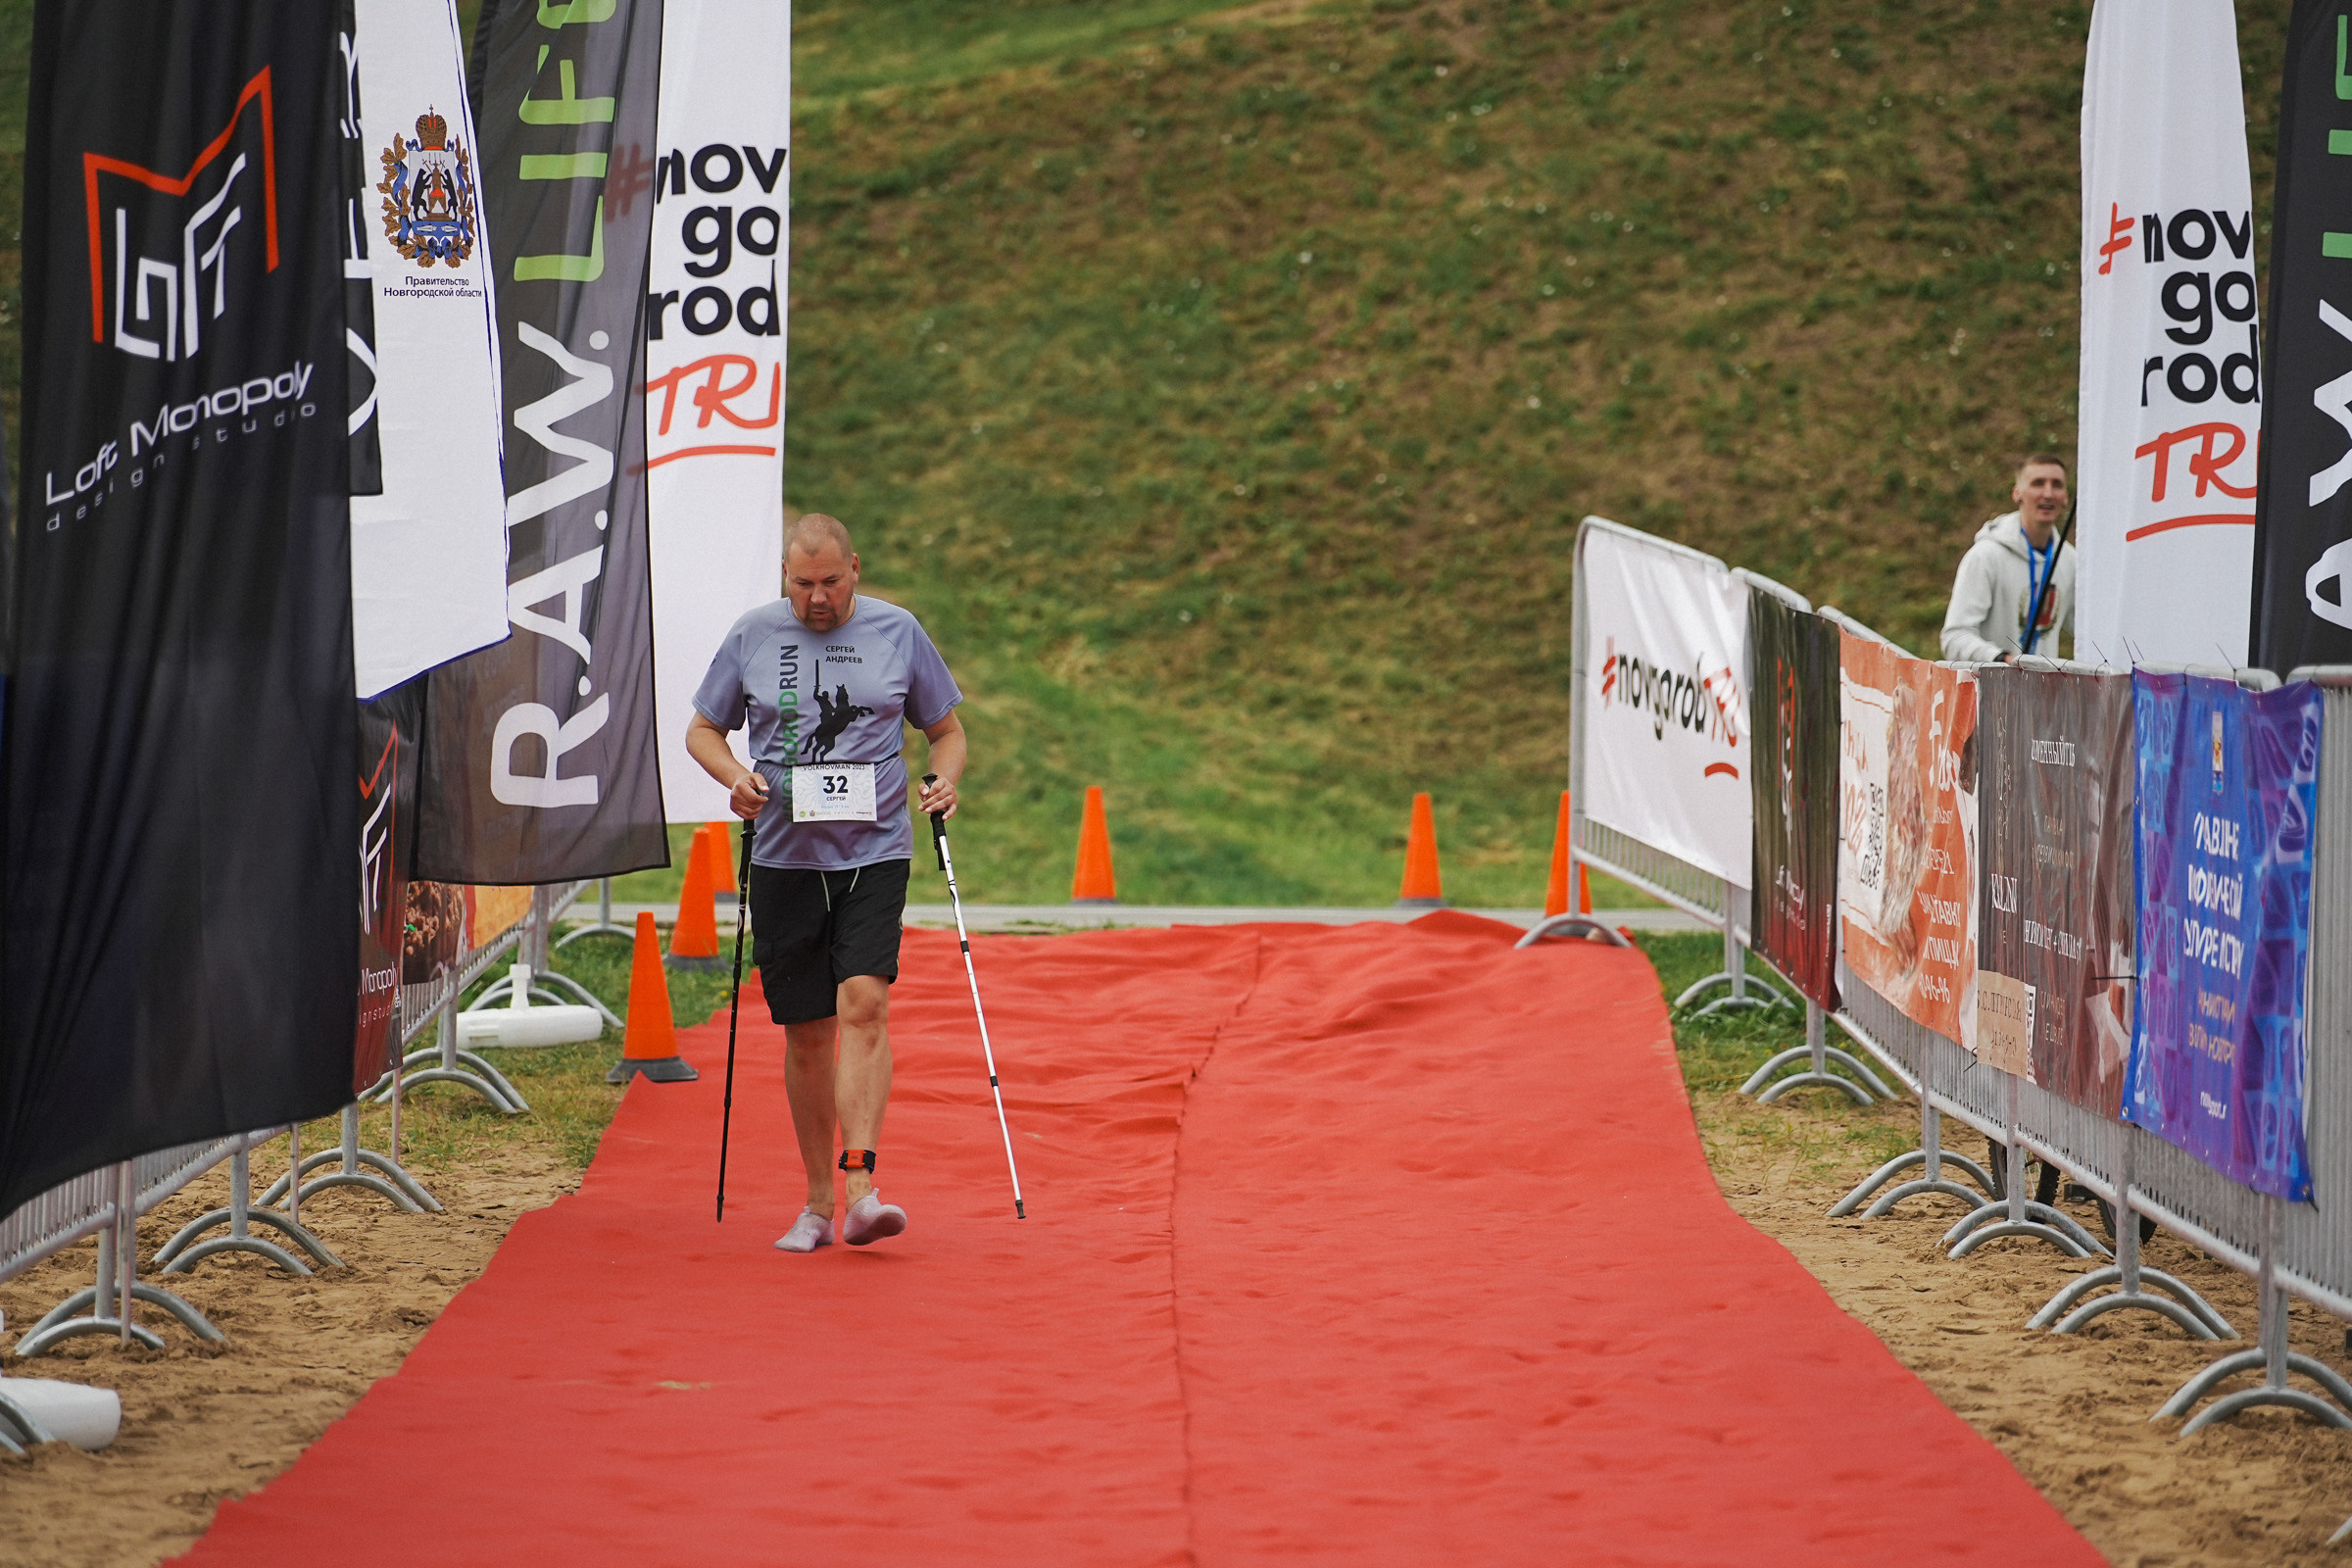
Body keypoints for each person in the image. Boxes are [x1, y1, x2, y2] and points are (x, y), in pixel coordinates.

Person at [685, 514, 966, 1252]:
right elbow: (702, 730)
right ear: (786, 576)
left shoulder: (897, 632)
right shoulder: (752, 635)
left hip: (874, 851)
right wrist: (736, 779)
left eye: (831, 583)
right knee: (808, 1034)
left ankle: (863, 1189)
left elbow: (947, 729)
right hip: (784, 857)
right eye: (802, 583)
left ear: (855, 570)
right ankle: (815, 1203)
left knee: (865, 1004)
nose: (817, 598)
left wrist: (944, 781)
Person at [1940, 454, 2073, 664]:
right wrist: (2002, 660)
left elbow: (2091, 632)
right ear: (2017, 493)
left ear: (2065, 497)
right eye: (2038, 483)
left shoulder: (2071, 561)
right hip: (1989, 692)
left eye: (2056, 485)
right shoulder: (1985, 556)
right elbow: (1954, 638)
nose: (2048, 493)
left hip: (2043, 695)